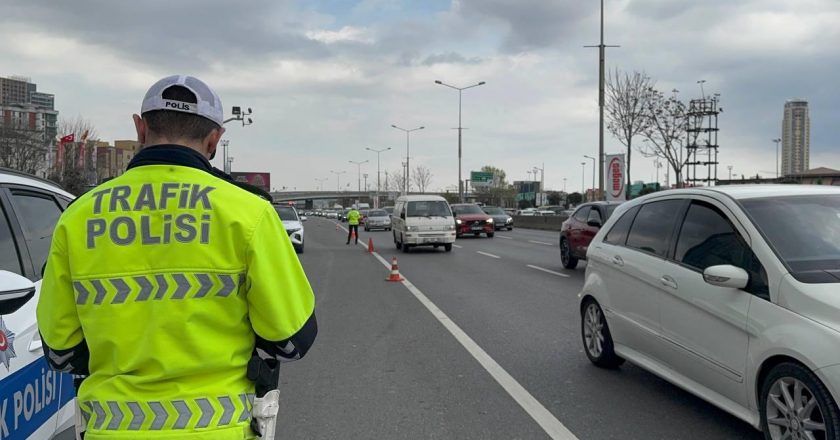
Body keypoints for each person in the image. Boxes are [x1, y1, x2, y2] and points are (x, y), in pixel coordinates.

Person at [37, 75, 317, 440]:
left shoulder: (79, 216)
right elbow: (293, 340)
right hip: (221, 430)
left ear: (140, 128)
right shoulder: (249, 213)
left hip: (111, 430)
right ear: (215, 139)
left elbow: (60, 351)